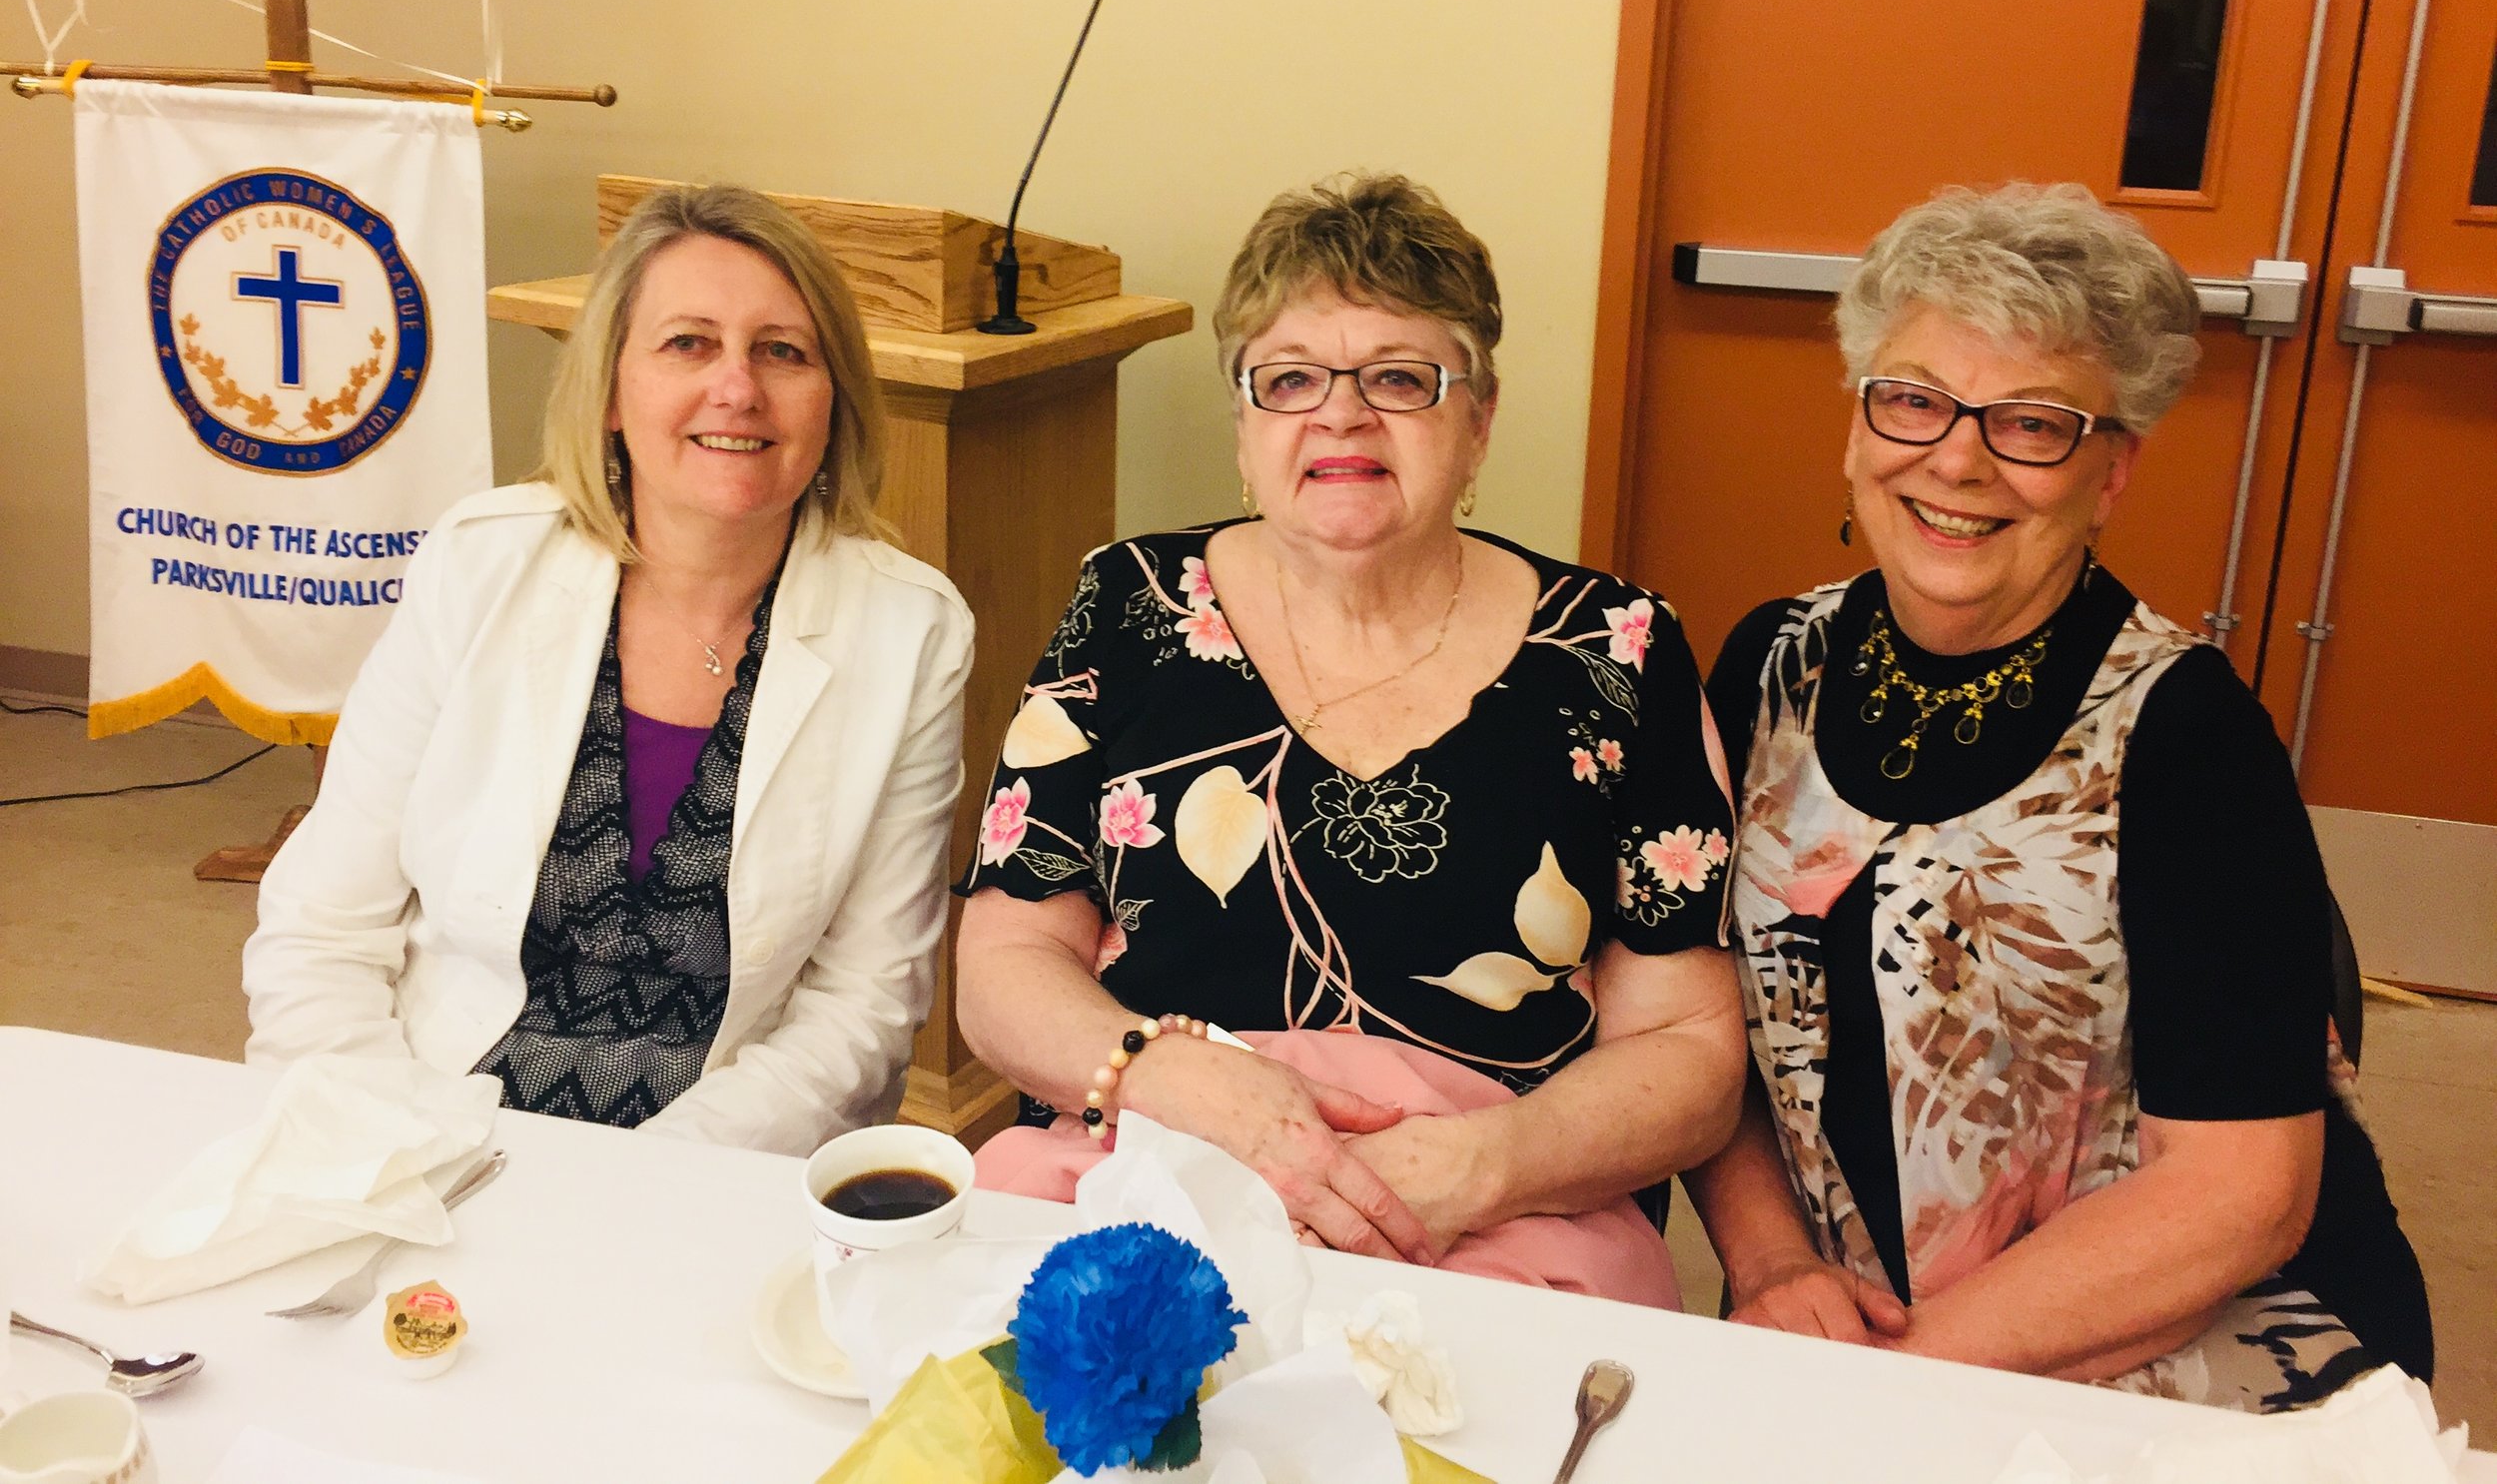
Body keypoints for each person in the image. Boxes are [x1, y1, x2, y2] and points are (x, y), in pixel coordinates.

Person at [1687, 183, 2432, 1409]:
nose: (1956, 460)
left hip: (2154, 1345)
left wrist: (1889, 1381)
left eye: (2031, 424)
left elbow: (2239, 1198)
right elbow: (1697, 1022)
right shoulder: (1768, 664)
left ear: (2112, 467)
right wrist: (1768, 1266)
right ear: (1858, 420)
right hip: (1837, 1329)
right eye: (1915, 400)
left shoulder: (2186, 736)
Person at [956, 174, 1747, 1273]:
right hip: (1150, 1165)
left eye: (1398, 376)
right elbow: (1004, 964)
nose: (1340, 412)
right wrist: (1180, 1082)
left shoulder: (1619, 648)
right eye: (1288, 379)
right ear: (1243, 426)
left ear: (1479, 420)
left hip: (1499, 1215)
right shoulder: (1127, 606)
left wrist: (1480, 1167)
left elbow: (1689, 1050)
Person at [243, 185, 973, 1156]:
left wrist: (645, 1183)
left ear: (832, 400)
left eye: (782, 351)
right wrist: (397, 1141)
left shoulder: (909, 630)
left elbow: (864, 1006)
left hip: (715, 1150)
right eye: (687, 343)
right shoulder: (480, 563)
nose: (738, 388)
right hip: (425, 1108)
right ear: (612, 393)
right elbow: (322, 927)